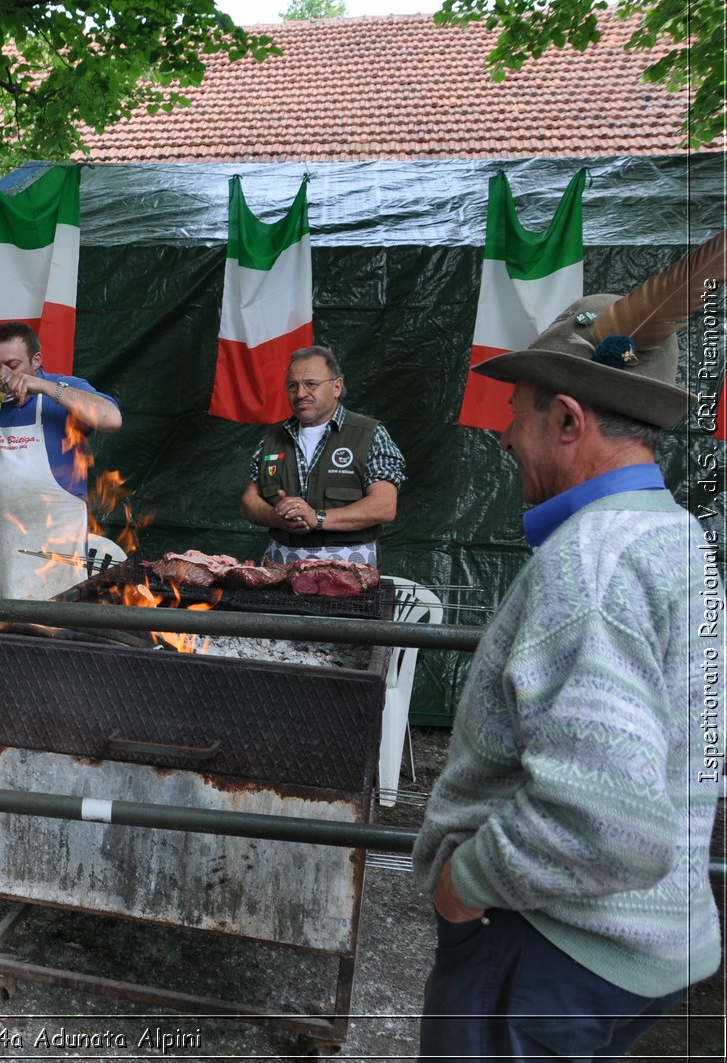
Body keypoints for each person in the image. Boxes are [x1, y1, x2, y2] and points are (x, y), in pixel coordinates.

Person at [411, 284, 721, 1059]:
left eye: (516, 412)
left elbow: (608, 823)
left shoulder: (591, 560)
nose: (507, 436)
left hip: (545, 946)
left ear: (569, 420)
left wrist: (464, 886)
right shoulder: (674, 534)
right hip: (631, 945)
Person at [0, 321, 122, 604]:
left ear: (36, 360)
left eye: (12, 364)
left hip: (57, 561)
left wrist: (44, 386)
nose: (3, 374)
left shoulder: (65, 392)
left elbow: (112, 419)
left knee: (54, 641)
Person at [238, 346, 405, 565]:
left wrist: (318, 518)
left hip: (348, 569)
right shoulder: (272, 438)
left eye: (311, 384)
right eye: (292, 385)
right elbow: (249, 500)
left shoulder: (369, 434)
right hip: (280, 568)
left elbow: (384, 506)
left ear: (337, 387)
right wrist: (276, 518)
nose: (300, 394)